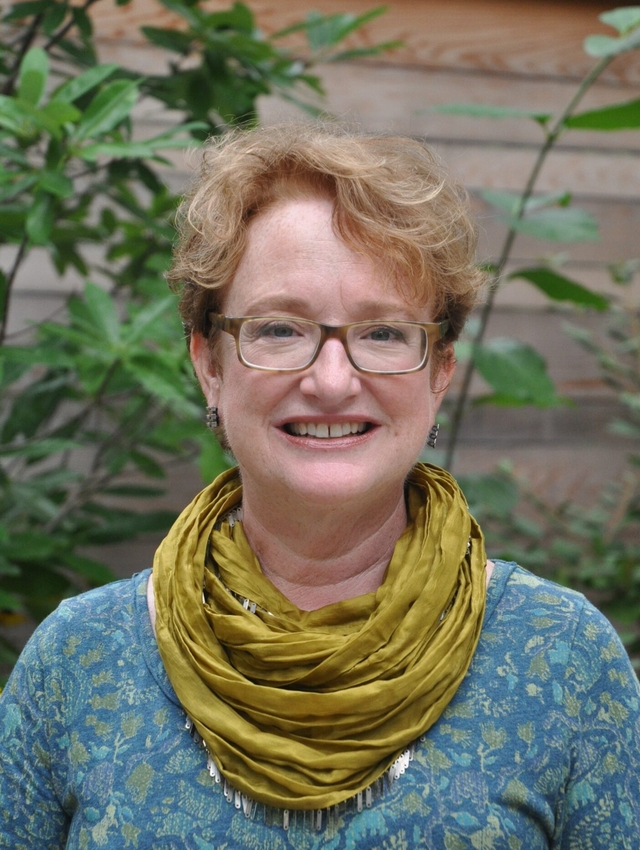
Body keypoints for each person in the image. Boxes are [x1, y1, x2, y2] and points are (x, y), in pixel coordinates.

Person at [1, 124, 638, 850]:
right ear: (209, 363)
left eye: (384, 333)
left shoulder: (561, 657)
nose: (332, 379)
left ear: (440, 373)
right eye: (279, 328)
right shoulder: (78, 660)